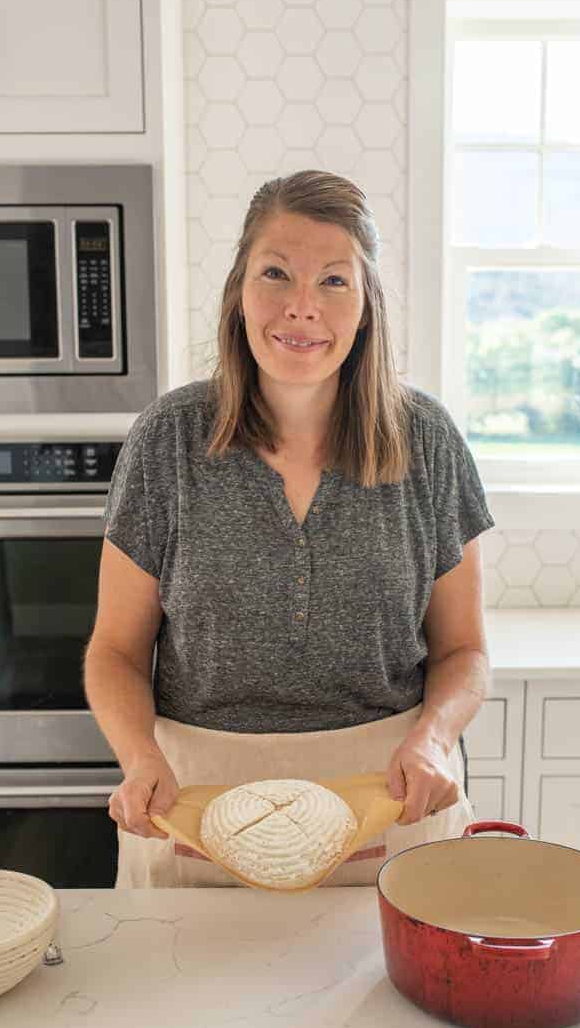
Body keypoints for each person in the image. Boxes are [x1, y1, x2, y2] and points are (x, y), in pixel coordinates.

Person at [84, 170, 495, 888]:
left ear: (366, 307)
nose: (301, 307)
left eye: (333, 281)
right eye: (276, 273)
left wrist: (434, 739)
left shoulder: (426, 441)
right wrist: (140, 758)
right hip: (200, 806)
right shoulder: (167, 441)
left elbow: (464, 650)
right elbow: (116, 650)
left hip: (387, 801)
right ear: (239, 289)